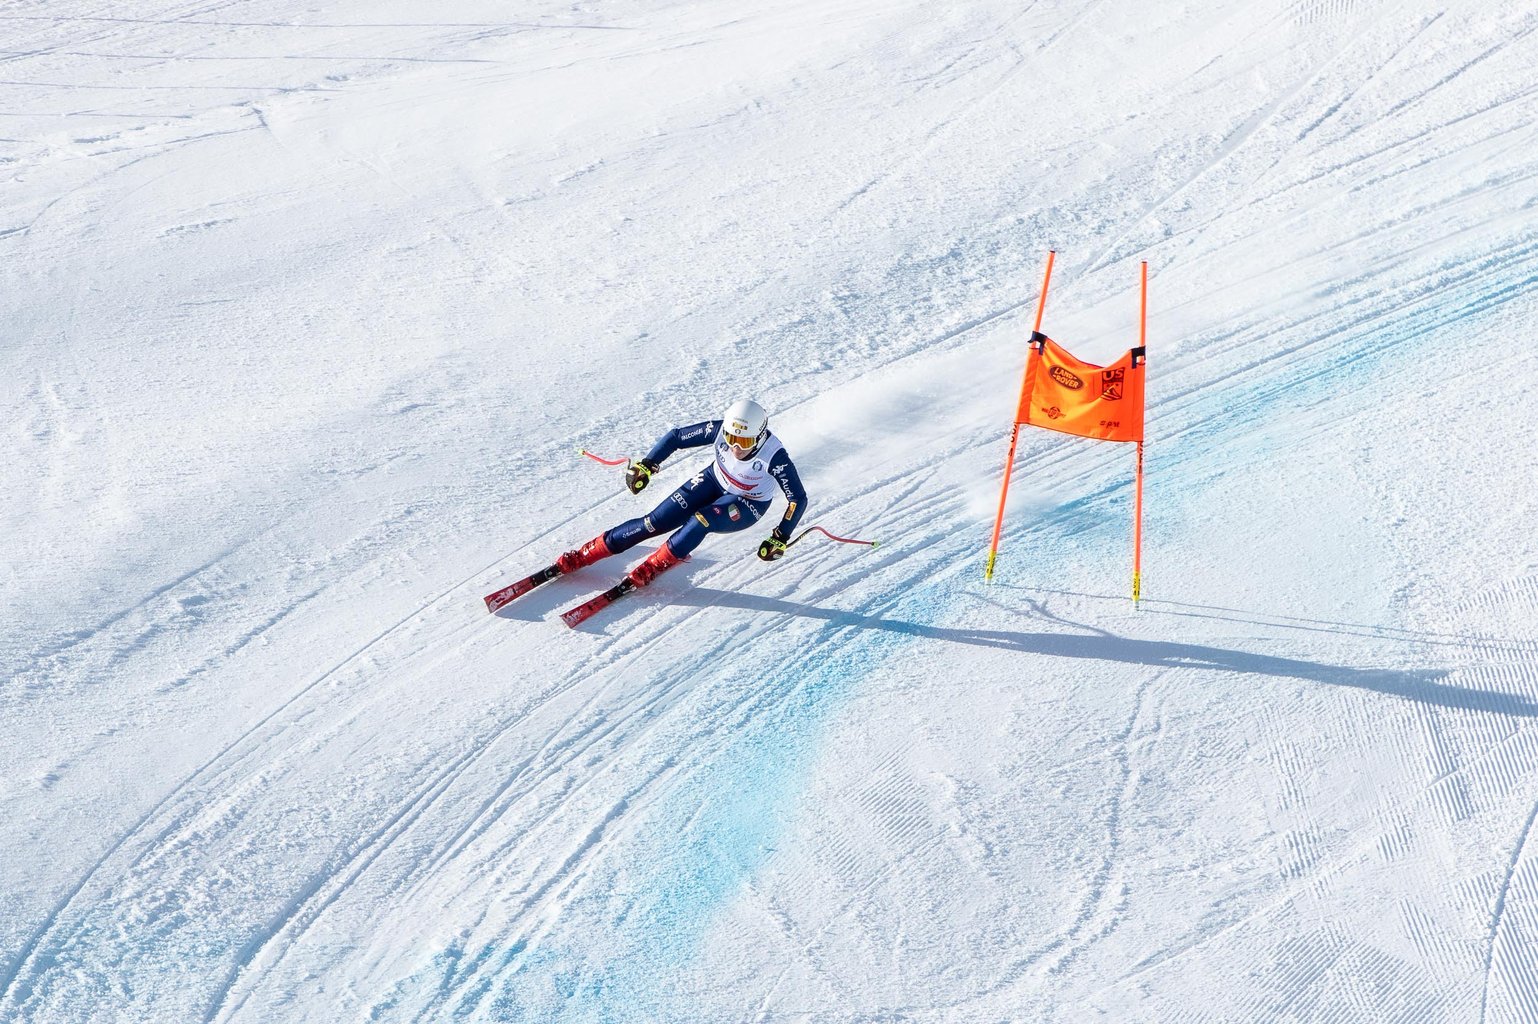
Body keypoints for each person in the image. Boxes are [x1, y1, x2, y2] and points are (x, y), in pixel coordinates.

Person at [556, 398, 808, 588]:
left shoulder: (775, 456)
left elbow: (797, 498)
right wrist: (648, 464)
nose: (734, 448)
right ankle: (586, 554)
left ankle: (655, 565)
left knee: (702, 519)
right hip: (713, 479)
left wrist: (780, 536)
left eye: (743, 442)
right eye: (731, 438)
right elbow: (676, 437)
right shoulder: (719, 430)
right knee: (653, 522)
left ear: (760, 436)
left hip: (748, 502)